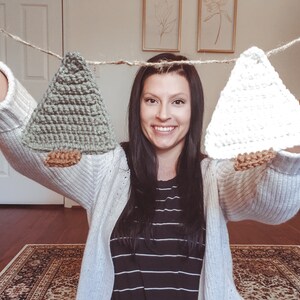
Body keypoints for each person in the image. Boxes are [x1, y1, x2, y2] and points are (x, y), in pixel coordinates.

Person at [0, 52, 299, 300]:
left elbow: (274, 206)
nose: (164, 115)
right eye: (152, 100)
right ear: (137, 106)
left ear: (194, 109)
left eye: (178, 102)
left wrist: (288, 154)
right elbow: (36, 153)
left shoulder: (214, 176)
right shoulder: (108, 168)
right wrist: (5, 97)